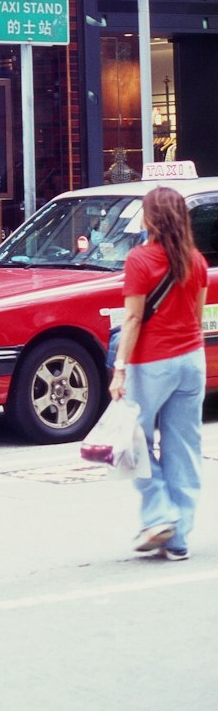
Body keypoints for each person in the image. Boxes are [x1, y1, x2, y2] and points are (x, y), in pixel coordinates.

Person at [109, 185, 207, 559]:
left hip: (152, 362)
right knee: (183, 448)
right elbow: (195, 317)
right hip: (191, 360)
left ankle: (160, 516)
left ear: (150, 218)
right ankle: (178, 537)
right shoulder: (195, 260)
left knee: (133, 442)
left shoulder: (140, 260)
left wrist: (119, 369)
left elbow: (133, 318)